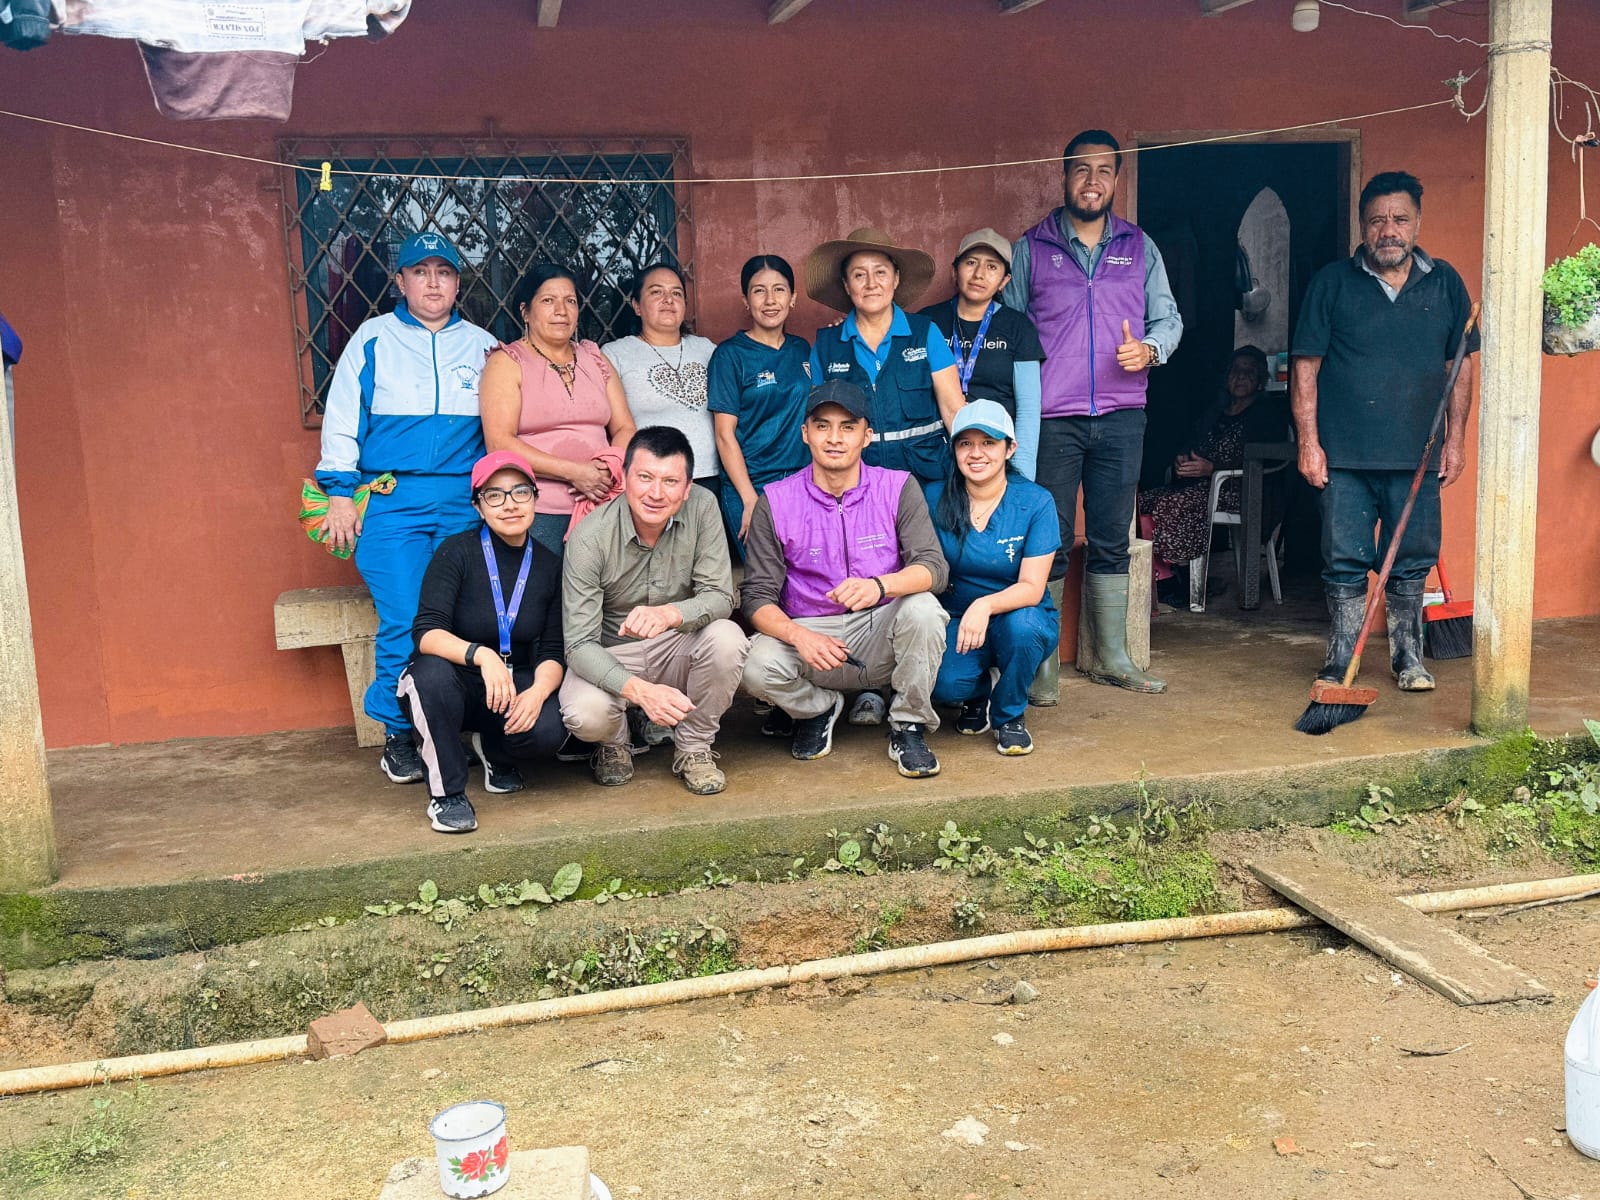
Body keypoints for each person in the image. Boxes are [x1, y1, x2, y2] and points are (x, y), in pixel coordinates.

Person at [1002, 130, 1184, 700]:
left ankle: (1111, 657)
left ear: (1117, 180)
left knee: (1110, 537)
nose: (1092, 181)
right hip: (1051, 418)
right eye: (1082, 169)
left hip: (1122, 414)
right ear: (1063, 176)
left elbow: (1169, 319)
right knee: (1048, 540)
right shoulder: (1031, 248)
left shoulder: (1139, 246)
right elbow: (1008, 329)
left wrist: (1149, 350)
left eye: (1104, 171)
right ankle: (1042, 665)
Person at [316, 232, 499, 785]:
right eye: (421, 272)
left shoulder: (484, 345)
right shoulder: (373, 339)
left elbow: (503, 428)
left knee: (470, 617)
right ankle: (399, 731)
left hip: (463, 500)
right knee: (406, 617)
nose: (433, 283)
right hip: (392, 498)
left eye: (444, 272)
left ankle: (461, 725)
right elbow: (342, 418)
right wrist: (339, 492)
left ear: (458, 283)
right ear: (400, 281)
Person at [1291, 170, 1478, 693]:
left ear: (1418, 223)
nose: (1388, 230)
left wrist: (1456, 440)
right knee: (1343, 558)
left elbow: (1460, 367)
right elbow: (1305, 366)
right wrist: (1309, 443)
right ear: (1361, 226)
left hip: (1418, 455)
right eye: (1377, 220)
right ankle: (1340, 657)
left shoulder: (1445, 282)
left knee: (1412, 560)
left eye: (1399, 219)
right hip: (1344, 456)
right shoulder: (1331, 283)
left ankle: (1407, 657)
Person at [741, 381, 951, 779]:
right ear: (805, 433)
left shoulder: (897, 487)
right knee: (753, 663)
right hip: (811, 637)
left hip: (880, 630)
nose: (834, 438)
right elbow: (757, 597)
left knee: (924, 610)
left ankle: (908, 724)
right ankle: (818, 708)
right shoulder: (776, 500)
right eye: (822, 426)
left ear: (867, 436)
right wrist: (799, 636)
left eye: (848, 427)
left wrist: (879, 585)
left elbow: (933, 568)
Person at [558, 425, 749, 795]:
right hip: (613, 653)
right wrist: (640, 691)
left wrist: (669, 614)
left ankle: (694, 747)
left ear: (688, 487)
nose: (656, 493)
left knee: (728, 638)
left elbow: (720, 596)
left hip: (676, 643)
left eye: (670, 481)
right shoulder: (590, 537)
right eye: (645, 477)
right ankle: (615, 743)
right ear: (625, 477)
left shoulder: (703, 507)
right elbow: (579, 645)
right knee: (585, 714)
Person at [398, 453, 566, 834]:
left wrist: (538, 692)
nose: (509, 504)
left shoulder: (548, 565)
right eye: (494, 495)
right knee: (429, 678)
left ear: (535, 498)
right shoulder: (456, 552)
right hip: (453, 680)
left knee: (550, 727)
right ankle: (447, 795)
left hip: (509, 685)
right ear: (478, 506)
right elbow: (426, 633)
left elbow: (554, 649)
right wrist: (481, 655)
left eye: (520, 492)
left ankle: (493, 747)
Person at [928, 401, 1060, 756]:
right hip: (957, 616)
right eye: (965, 443)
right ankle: (980, 690)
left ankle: (1009, 716)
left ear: (1009, 448)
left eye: (988, 442)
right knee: (944, 687)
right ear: (954, 449)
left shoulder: (1035, 501)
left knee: (1024, 630)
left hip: (1019, 613)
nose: (976, 453)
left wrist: (984, 606)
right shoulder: (934, 497)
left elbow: (1032, 588)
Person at [480, 263, 636, 556]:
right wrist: (575, 472)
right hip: (539, 508)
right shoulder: (507, 362)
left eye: (570, 301)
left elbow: (625, 427)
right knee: (544, 584)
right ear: (525, 311)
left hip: (603, 500)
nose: (561, 311)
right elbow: (499, 443)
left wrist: (607, 467)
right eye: (548, 300)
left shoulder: (595, 358)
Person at [804, 226, 966, 489]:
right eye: (859, 275)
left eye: (880, 272)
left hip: (928, 480)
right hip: (857, 485)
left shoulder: (925, 333)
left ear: (896, 278)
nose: (871, 284)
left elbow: (953, 409)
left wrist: (967, 479)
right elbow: (817, 423)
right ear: (846, 285)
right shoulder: (826, 345)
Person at [1137, 345, 1284, 589]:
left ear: (1260, 381)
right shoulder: (1215, 412)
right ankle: (1160, 575)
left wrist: (1213, 468)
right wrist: (1182, 459)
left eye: (1249, 372)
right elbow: (1192, 442)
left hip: (1241, 490)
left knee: (1172, 503)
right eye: (1235, 371)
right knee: (1143, 502)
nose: (1241, 377)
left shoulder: (1265, 415)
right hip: (1201, 487)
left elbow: (1266, 458)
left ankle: (1178, 578)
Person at [918, 228, 1045, 480]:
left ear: (1004, 281)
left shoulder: (1018, 327)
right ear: (954, 271)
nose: (979, 274)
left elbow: (1029, 408)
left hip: (992, 454)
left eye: (992, 267)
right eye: (971, 263)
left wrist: (1021, 476)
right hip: (934, 454)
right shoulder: (927, 321)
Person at [709, 254, 813, 543]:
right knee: (767, 569)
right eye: (759, 291)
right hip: (753, 485)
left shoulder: (803, 349)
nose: (770, 300)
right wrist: (749, 499)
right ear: (746, 300)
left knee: (810, 568)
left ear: (793, 298)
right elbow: (724, 435)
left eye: (779, 289)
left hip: (804, 483)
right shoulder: (729, 355)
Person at [602, 263, 719, 491]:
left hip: (709, 476)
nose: (668, 300)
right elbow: (615, 427)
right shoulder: (616, 354)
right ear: (637, 306)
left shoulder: (707, 349)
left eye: (677, 293)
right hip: (652, 482)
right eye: (656, 292)